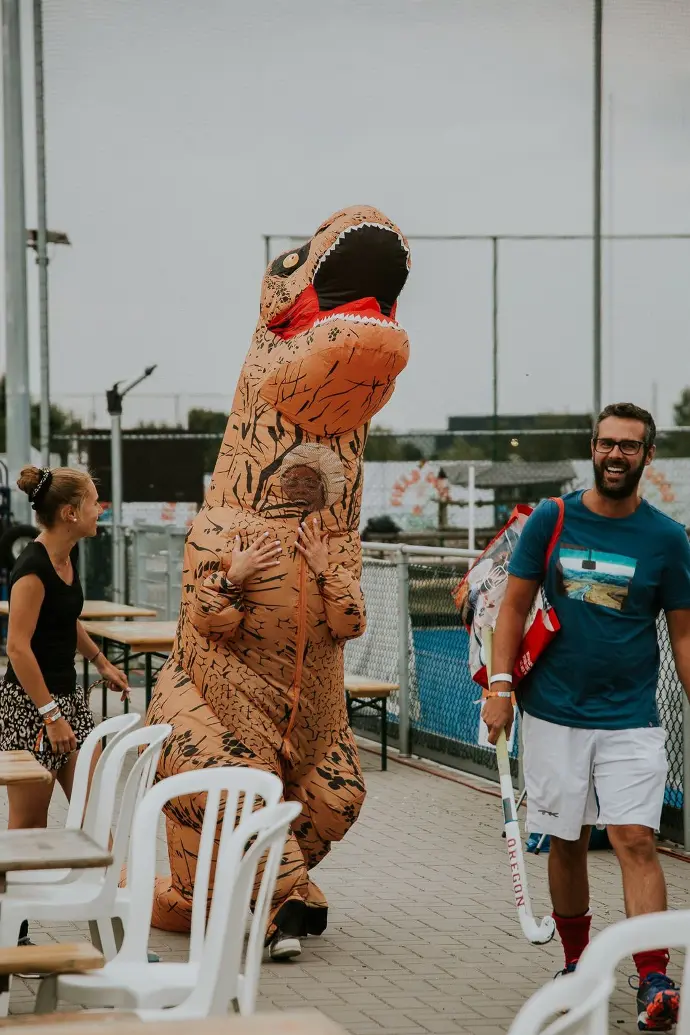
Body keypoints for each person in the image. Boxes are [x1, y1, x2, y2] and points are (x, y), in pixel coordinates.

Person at [482, 403, 690, 1032]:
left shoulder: (668, 539)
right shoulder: (554, 517)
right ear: (592, 450)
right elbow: (513, 608)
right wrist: (499, 686)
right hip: (551, 714)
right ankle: (577, 965)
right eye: (606, 444)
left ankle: (653, 977)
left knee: (635, 839)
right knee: (567, 841)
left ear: (647, 458)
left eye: (629, 446)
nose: (616, 455)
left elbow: (683, 638)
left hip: (631, 717)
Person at [3, 466, 128, 947]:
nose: (102, 509)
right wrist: (50, 716)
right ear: (70, 512)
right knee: (27, 831)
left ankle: (118, 934)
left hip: (66, 706)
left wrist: (99, 660)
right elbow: (18, 648)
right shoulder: (31, 570)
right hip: (32, 712)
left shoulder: (67, 561)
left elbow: (65, 618)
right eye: (96, 501)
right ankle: (13, 937)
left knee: (94, 815)